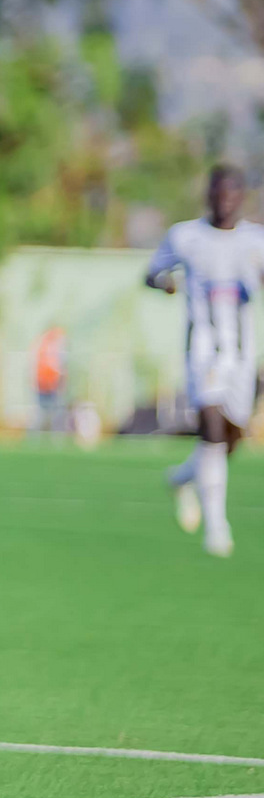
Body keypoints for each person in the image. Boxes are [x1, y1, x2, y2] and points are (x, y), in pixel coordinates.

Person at [147, 164, 264, 557]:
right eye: (218, 192)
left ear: (242, 196)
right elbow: (152, 273)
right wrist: (164, 283)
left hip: (241, 355)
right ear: (209, 194)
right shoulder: (185, 236)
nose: (224, 200)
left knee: (230, 439)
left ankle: (183, 478)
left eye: (232, 193)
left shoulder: (256, 240)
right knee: (211, 425)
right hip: (203, 349)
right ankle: (217, 528)